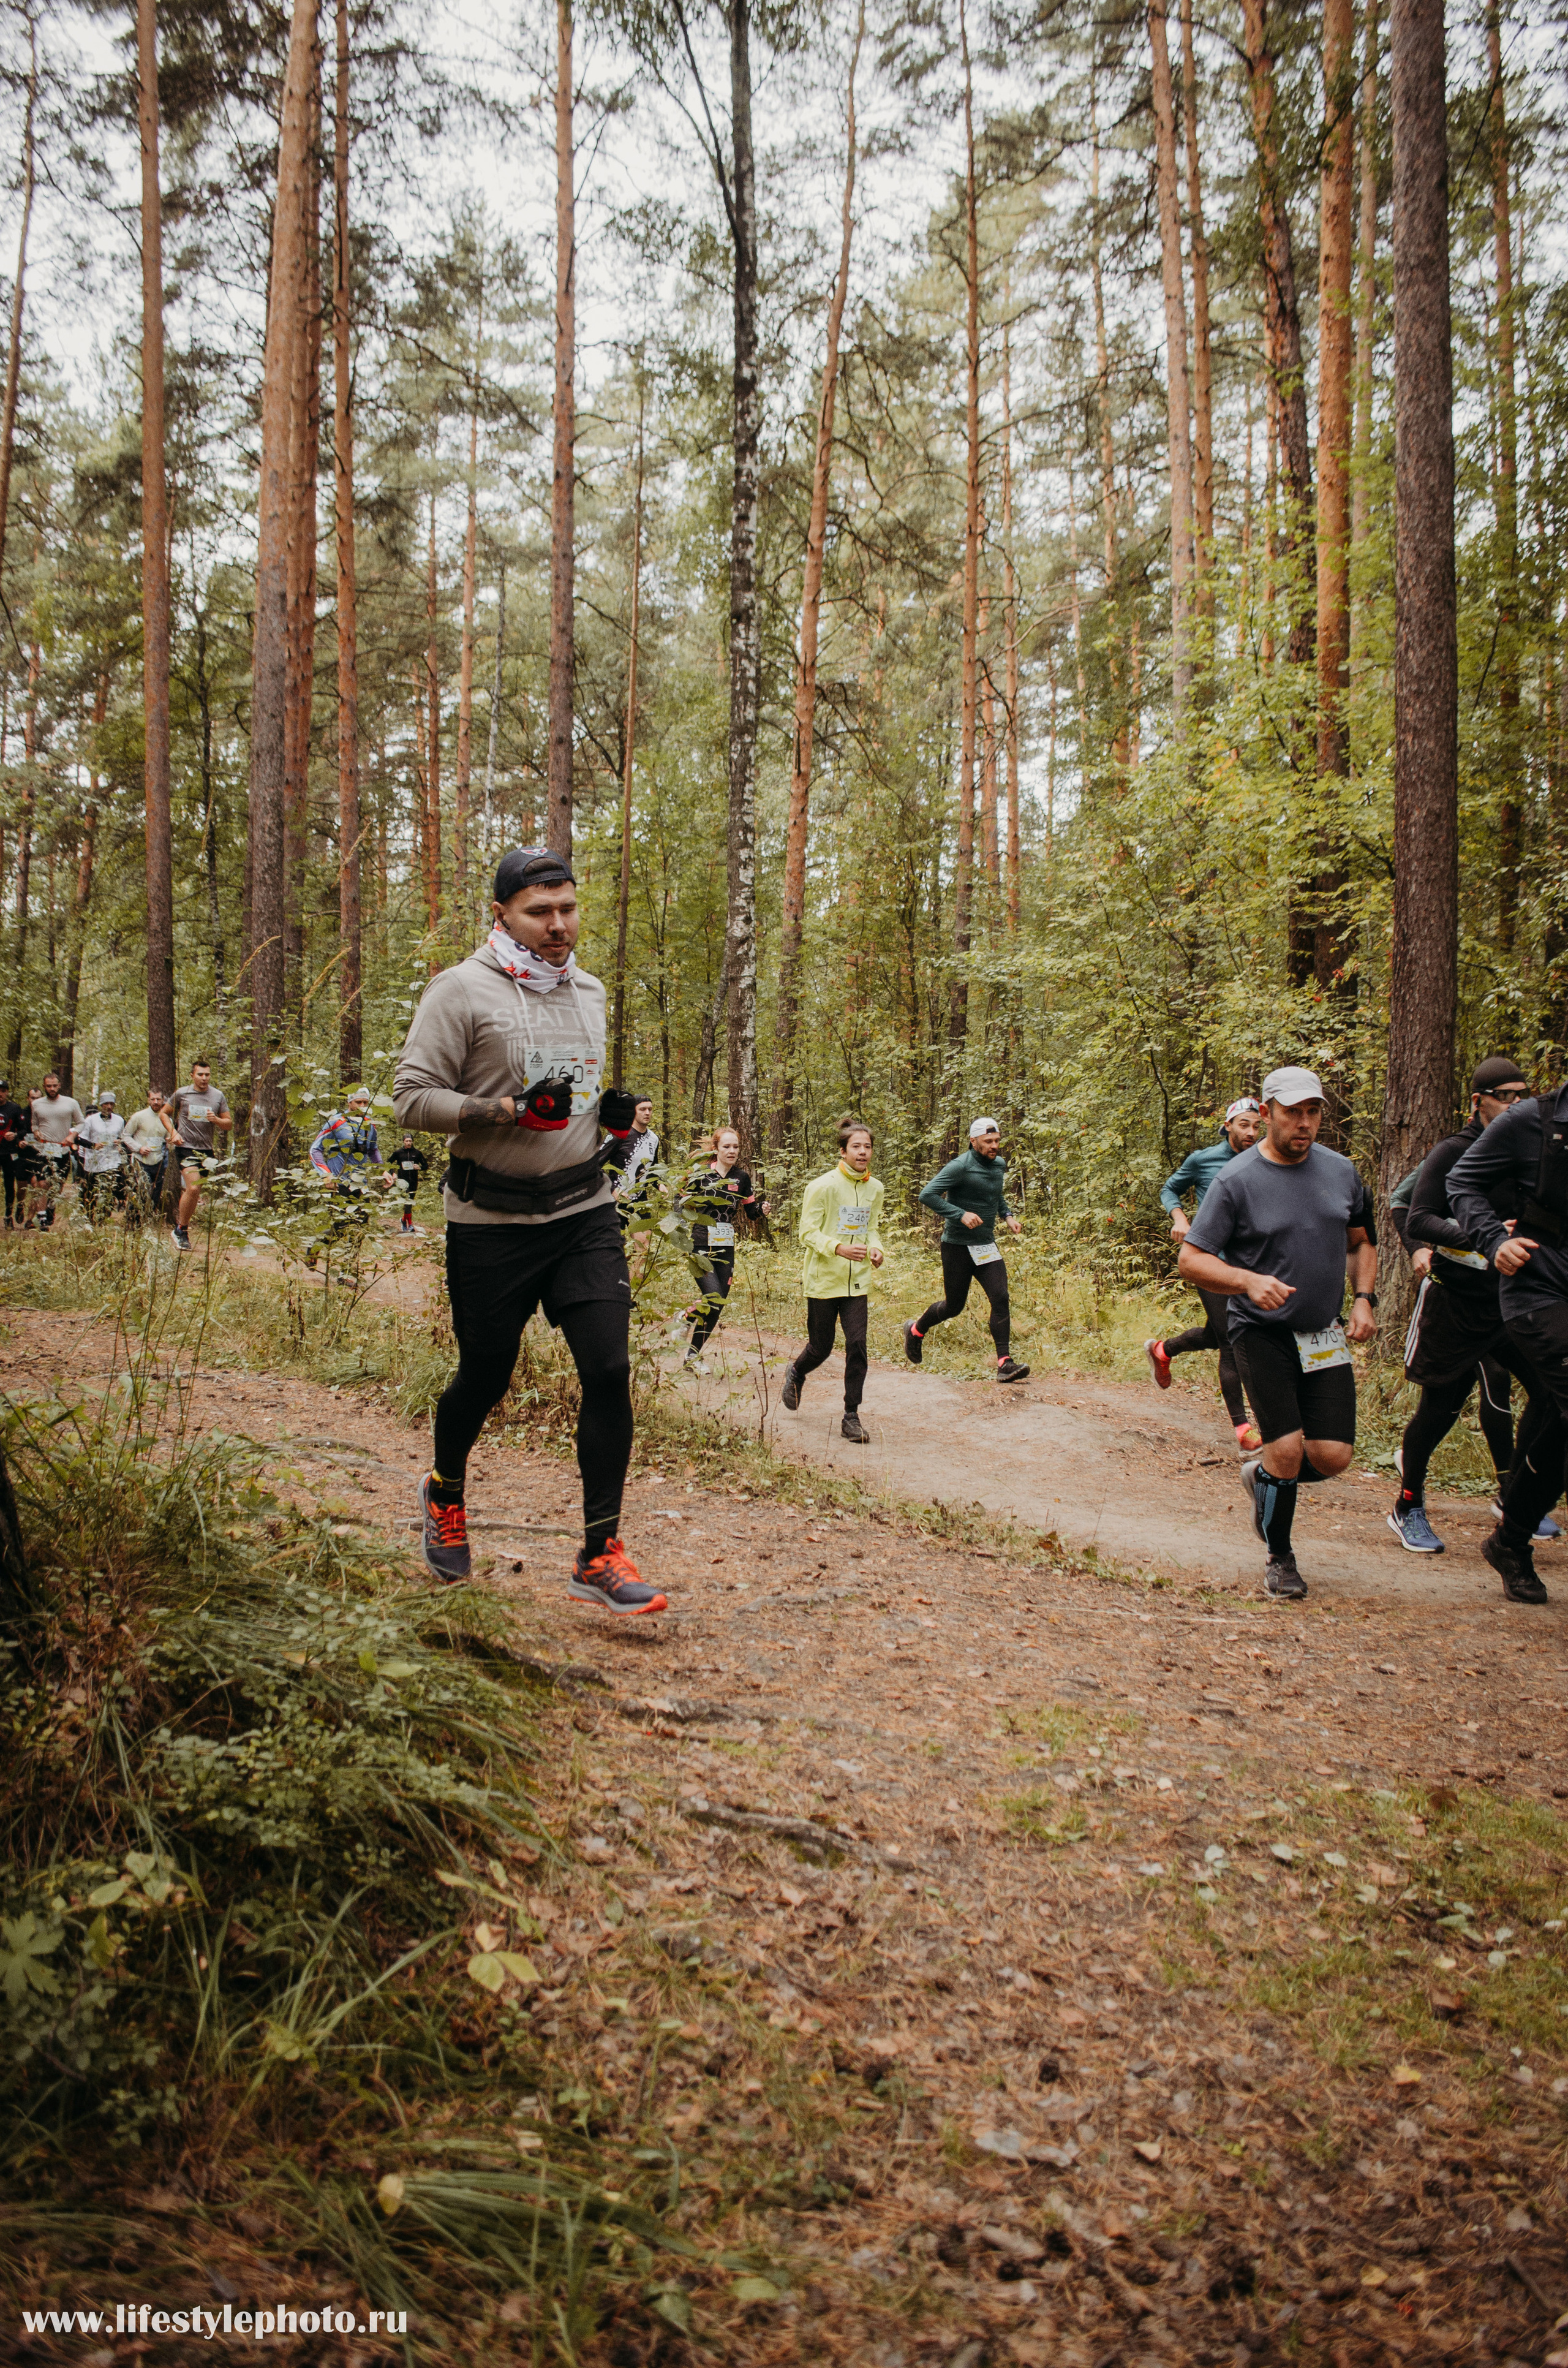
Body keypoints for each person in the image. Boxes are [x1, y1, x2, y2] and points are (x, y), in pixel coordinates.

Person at [394, 844, 662, 1612]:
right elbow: (411, 1099)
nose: (557, 925)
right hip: (490, 1219)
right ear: (502, 915)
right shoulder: (460, 991)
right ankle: (444, 1491)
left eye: (567, 908)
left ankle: (599, 1551)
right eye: (539, 912)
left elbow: (571, 1090)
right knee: (485, 1374)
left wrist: (607, 1117)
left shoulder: (589, 990)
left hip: (582, 1210)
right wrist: (506, 1110)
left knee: (608, 1369)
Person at [1178, 1065, 1378, 1602]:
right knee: (1287, 1448)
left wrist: (1363, 1298)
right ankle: (1280, 1556)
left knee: (1333, 1454)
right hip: (1259, 1331)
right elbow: (1191, 1258)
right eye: (1293, 1112)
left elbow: (1362, 1242)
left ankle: (1263, 1476)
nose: (1305, 1123)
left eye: (1313, 1112)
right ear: (1266, 1114)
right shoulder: (1236, 1180)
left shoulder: (1342, 1172)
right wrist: (1246, 1280)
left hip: (1323, 1334)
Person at [1388, 1054, 1557, 1554]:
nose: (1517, 1104)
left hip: (1513, 1302)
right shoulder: (1453, 1151)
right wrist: (1482, 1237)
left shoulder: (1530, 1154)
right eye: (1506, 1095)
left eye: (1524, 1095)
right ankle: (1408, 1504)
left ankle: (1513, 1495)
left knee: (1551, 1394)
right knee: (1439, 1410)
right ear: (1478, 1101)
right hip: (1455, 1300)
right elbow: (1418, 1218)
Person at [1445, 1066, 1568, 1605]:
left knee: (1560, 1425)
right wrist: (1493, 1241)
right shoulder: (1529, 1121)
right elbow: (1460, 1183)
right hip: (1538, 1293)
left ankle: (1511, 1539)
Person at [1146, 1099, 1263, 1451]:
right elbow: (1169, 1189)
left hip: (1250, 1265)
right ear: (1228, 1125)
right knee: (1231, 1342)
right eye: (1245, 1125)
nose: (1252, 1132)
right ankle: (1244, 1430)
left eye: (1257, 1126)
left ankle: (1164, 1350)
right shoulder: (1203, 1160)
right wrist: (1180, 1218)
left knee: (1218, 1334)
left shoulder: (1264, 1161)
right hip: (1210, 1261)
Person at [782, 1116, 886, 1443]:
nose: (863, 1152)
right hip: (824, 1279)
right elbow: (806, 1232)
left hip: (858, 1282)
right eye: (856, 1146)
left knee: (857, 1345)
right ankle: (797, 1372)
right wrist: (838, 1247)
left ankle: (851, 1415)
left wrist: (876, 1249)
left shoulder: (875, 1188)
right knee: (821, 1347)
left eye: (867, 1147)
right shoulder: (823, 1186)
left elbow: (871, 1229)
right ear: (843, 1151)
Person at [902, 1117, 1030, 1383]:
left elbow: (996, 1195)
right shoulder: (960, 1166)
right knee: (954, 1306)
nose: (995, 1146)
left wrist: (1007, 1216)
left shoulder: (999, 1165)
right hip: (958, 1247)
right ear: (974, 1142)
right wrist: (960, 1214)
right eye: (988, 1142)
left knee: (1001, 1296)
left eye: (997, 1141)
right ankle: (916, 1330)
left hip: (986, 1246)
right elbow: (927, 1195)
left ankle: (1004, 1363)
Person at [680, 1125, 769, 1374]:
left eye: (736, 1147)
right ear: (716, 1149)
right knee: (713, 1296)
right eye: (726, 1147)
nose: (732, 1151)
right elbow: (680, 1203)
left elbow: (751, 1213)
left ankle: (692, 1357)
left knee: (718, 1304)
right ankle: (686, 1316)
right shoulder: (700, 1173)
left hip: (725, 1246)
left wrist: (762, 1209)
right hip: (700, 1243)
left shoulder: (741, 1177)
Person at [304, 1088, 389, 1271]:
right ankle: (316, 1246)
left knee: (361, 1226)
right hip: (339, 1181)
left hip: (361, 1183)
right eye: (358, 1102)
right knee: (344, 1224)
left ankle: (348, 1271)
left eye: (365, 1103)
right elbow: (315, 1149)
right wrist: (326, 1174)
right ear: (349, 1103)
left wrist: (384, 1171)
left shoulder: (369, 1125)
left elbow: (373, 1150)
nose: (362, 1106)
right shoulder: (336, 1122)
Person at [167, 1059, 233, 1252]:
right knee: (193, 1188)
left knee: (194, 1193)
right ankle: (183, 1231)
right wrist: (173, 1132)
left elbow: (229, 1124)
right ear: (192, 1076)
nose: (204, 1078)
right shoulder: (182, 1094)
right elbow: (164, 1114)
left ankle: (180, 1229)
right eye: (200, 1074)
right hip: (185, 1146)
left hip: (206, 1150)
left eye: (207, 1075)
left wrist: (217, 1120)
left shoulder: (217, 1096)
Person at [23, 1074, 85, 1228]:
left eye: (54, 1086)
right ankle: (42, 1219)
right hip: (43, 1150)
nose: (52, 1089)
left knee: (57, 1186)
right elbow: (34, 1124)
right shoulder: (37, 1104)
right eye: (48, 1086)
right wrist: (36, 1132)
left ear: (59, 1086)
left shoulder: (71, 1103)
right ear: (44, 1087)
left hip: (62, 1150)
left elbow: (81, 1123)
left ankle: (51, 1207)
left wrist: (72, 1136)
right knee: (43, 1184)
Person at [76, 1091, 129, 1225]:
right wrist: (93, 1145)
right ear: (101, 1105)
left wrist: (120, 1143)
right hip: (94, 1162)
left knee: (109, 1190)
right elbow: (80, 1139)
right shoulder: (90, 1120)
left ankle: (104, 1217)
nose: (109, 1106)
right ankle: (89, 1217)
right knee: (92, 1191)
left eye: (111, 1104)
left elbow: (124, 1138)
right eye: (106, 1104)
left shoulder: (119, 1120)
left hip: (112, 1161)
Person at [123, 1088, 175, 1222]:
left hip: (158, 1161)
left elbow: (171, 1141)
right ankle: (132, 1221)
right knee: (140, 1191)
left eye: (159, 1099)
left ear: (163, 1100)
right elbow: (126, 1136)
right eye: (153, 1099)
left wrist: (171, 1143)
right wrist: (139, 1148)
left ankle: (148, 1219)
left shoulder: (168, 1119)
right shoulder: (139, 1117)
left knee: (156, 1194)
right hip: (141, 1160)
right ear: (149, 1100)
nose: (156, 1102)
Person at [604, 1094, 659, 1217]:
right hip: (617, 1198)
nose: (647, 1113)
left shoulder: (654, 1139)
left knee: (645, 1237)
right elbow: (596, 1163)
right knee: (616, 1237)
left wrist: (661, 1185)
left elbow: (652, 1170)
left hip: (640, 1199)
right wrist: (612, 1189)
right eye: (642, 1109)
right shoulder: (619, 1134)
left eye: (650, 1109)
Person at [0, 1079, 26, 1228]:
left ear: (7, 1093)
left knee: (10, 1185)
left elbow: (23, 1130)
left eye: (3, 1091)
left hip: (9, 1152)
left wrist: (15, 1135)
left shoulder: (15, 1109)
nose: (0, 1094)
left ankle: (9, 1215)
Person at [391, 1133, 430, 1233]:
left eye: (410, 1141)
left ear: (412, 1142)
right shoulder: (398, 1153)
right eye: (407, 1141)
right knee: (407, 1202)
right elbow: (388, 1163)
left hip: (413, 1181)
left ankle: (404, 1220)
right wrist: (393, 1173)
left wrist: (420, 1167)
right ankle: (409, 1224)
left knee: (410, 1202)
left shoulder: (417, 1153)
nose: (408, 1143)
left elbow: (426, 1165)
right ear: (403, 1142)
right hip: (402, 1181)